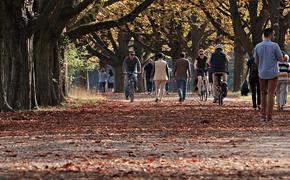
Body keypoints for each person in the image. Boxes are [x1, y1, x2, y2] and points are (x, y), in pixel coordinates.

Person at [254, 28, 283, 122]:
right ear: (270, 35)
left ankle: (263, 116)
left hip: (262, 73)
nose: (274, 36)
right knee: (271, 94)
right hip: (273, 73)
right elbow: (280, 59)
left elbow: (256, 61)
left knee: (263, 94)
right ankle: (269, 117)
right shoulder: (275, 46)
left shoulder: (257, 46)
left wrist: (262, 65)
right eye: (273, 35)